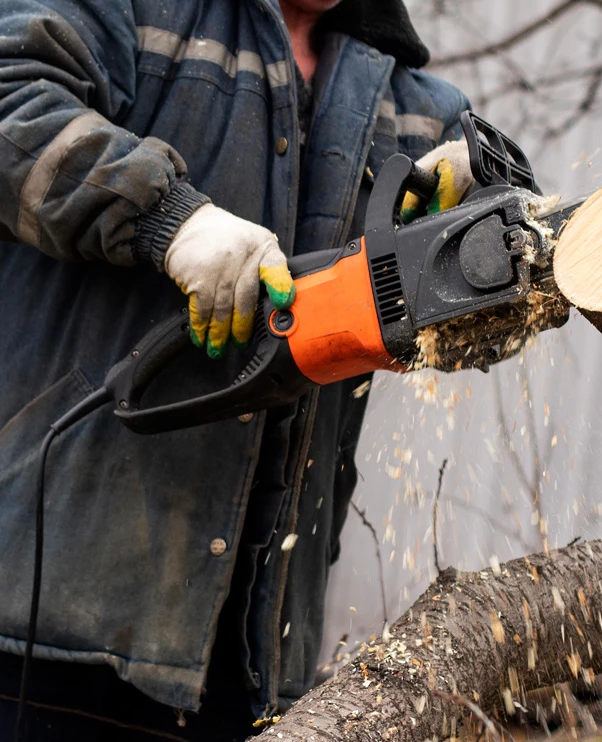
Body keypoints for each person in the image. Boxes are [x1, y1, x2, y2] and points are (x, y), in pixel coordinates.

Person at [0, 0, 475, 739]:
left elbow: (496, 308)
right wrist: (168, 218)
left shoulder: (417, 110)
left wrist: (484, 213)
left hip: (252, 655)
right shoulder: (134, 10)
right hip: (43, 610)